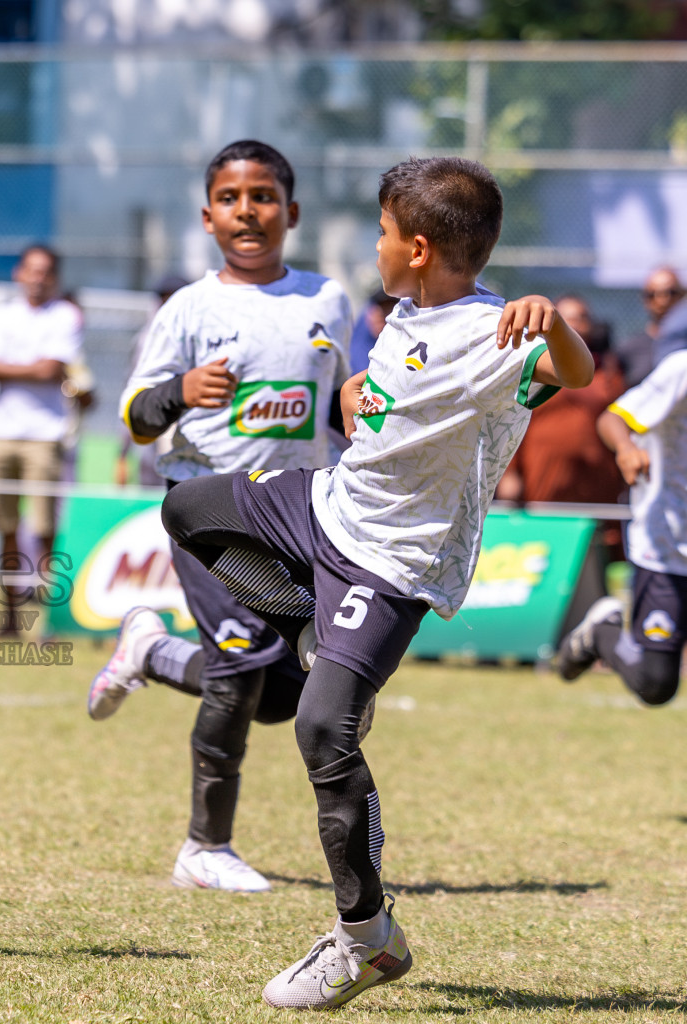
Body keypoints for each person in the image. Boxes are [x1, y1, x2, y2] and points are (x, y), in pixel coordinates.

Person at [155, 156, 593, 1009]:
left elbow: (566, 377)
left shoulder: (493, 332)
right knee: (189, 512)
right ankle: (310, 627)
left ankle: (366, 938)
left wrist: (551, 325)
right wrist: (361, 389)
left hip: (392, 563)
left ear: (419, 247)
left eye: (386, 233)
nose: (377, 245)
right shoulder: (406, 308)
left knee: (322, 730)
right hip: (326, 505)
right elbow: (400, 389)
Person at [87, 141, 352, 893]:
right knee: (239, 669)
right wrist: (180, 390)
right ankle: (205, 847)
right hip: (209, 513)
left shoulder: (326, 300)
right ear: (208, 217)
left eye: (263, 196)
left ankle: (153, 653)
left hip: (301, 512)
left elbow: (343, 396)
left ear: (291, 213)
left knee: (284, 695)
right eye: (231, 198)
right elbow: (136, 418)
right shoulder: (190, 309)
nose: (248, 211)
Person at [555, 346, 687, 705]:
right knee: (655, 683)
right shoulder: (682, 369)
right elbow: (611, 419)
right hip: (667, 547)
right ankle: (603, 633)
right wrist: (627, 448)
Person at [0, 244, 83, 634]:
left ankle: (47, 624)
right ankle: (10, 618)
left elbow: (53, 369)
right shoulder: (2, 314)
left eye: (46, 271)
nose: (37, 278)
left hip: (45, 435)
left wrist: (11, 369)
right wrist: (33, 368)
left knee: (43, 530)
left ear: (54, 276)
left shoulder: (66, 315)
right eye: (31, 270)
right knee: (6, 529)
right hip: (0, 433)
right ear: (19, 273)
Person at [498, 294, 627, 560]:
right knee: (544, 556)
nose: (576, 324)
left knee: (599, 558)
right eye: (567, 317)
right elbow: (513, 419)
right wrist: (510, 474)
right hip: (544, 489)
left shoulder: (609, 374)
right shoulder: (530, 369)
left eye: (582, 317)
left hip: (598, 490)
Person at [115, 273, 186, 489]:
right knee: (150, 481)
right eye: (164, 299)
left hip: (187, 423)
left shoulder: (200, 334)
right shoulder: (146, 338)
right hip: (154, 419)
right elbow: (134, 388)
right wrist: (122, 452)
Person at [616, 266, 682, 386]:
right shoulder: (629, 348)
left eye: (670, 293)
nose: (662, 301)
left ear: (683, 295)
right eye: (652, 294)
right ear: (644, 299)